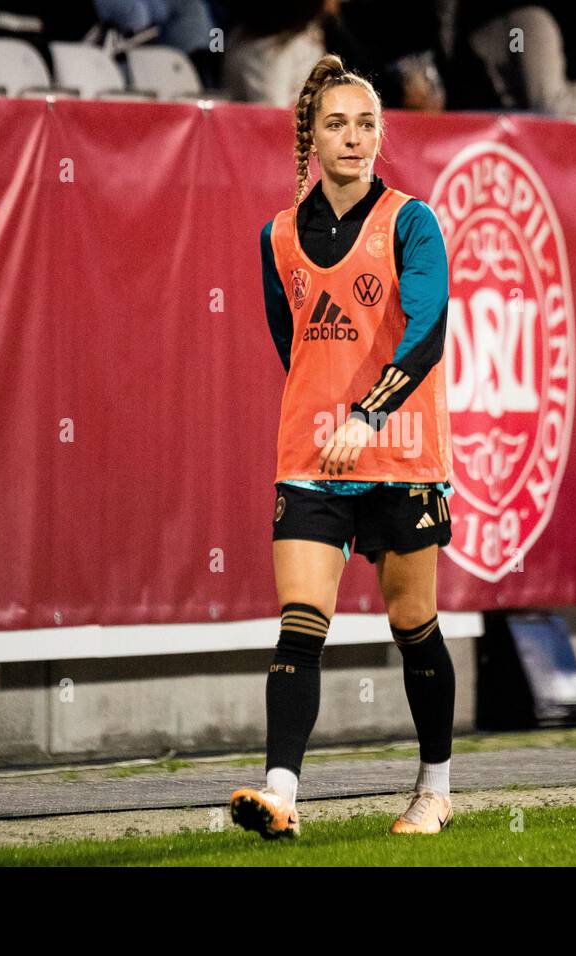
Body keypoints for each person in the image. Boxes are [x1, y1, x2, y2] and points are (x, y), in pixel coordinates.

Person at [229, 53, 456, 838]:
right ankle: (282, 793)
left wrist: (368, 412)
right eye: (337, 125)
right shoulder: (278, 237)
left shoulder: (412, 222)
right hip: (312, 458)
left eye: (365, 124)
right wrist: (331, 417)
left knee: (412, 623)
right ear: (312, 141)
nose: (354, 138)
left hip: (400, 458)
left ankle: (434, 788)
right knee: (300, 617)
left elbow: (426, 334)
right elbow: (290, 343)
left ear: (379, 134)